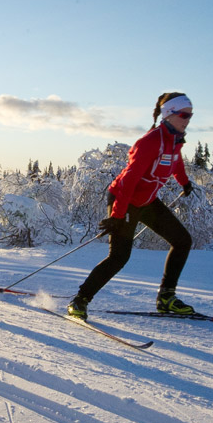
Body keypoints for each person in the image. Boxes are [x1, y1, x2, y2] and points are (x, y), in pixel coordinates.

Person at [68, 92, 197, 320]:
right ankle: (80, 300)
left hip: (146, 201)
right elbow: (129, 180)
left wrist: (184, 182)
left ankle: (166, 297)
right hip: (124, 199)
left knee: (182, 240)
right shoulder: (150, 142)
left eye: (190, 115)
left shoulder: (174, 141)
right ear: (169, 114)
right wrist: (117, 216)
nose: (188, 120)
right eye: (184, 115)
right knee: (119, 257)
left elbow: (175, 162)